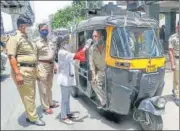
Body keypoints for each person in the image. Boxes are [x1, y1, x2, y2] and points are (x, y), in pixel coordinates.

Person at [6, 15, 45, 126]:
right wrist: (18, 73)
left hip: (30, 70)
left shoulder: (26, 38)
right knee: (28, 95)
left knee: (30, 95)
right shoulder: (14, 37)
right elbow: (11, 56)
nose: (29, 28)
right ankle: (33, 118)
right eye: (28, 26)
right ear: (22, 26)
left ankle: (29, 115)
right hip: (22, 71)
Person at [56, 36, 86, 125]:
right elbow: (77, 56)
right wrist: (86, 47)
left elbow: (77, 58)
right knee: (64, 99)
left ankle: (68, 113)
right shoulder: (62, 52)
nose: (68, 43)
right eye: (66, 42)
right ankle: (63, 116)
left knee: (68, 98)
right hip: (64, 80)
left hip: (68, 79)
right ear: (62, 44)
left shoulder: (65, 52)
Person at [35, 23, 59, 115]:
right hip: (41, 66)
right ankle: (45, 107)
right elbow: (34, 57)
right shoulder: (36, 42)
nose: (45, 30)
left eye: (46, 29)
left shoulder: (50, 41)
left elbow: (52, 55)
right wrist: (36, 71)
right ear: (39, 30)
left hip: (51, 66)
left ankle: (50, 103)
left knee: (49, 86)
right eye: (43, 29)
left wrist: (55, 65)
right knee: (43, 89)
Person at [89, 30, 106, 108]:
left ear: (101, 37)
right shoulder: (92, 48)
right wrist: (93, 76)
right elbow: (91, 64)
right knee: (93, 83)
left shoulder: (108, 45)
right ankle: (104, 101)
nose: (93, 38)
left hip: (110, 70)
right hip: (100, 71)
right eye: (93, 36)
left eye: (95, 36)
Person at [168, 21, 179, 106]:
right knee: (177, 79)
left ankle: (175, 90)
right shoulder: (173, 37)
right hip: (177, 59)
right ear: (177, 26)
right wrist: (173, 64)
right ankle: (177, 96)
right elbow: (171, 52)